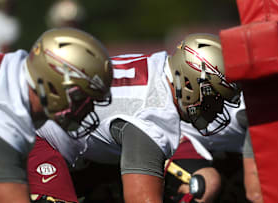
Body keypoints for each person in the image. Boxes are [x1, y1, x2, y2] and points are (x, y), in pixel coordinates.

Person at [27, 33, 241, 203]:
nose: (215, 109)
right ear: (188, 83)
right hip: (34, 135)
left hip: (79, 146)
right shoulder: (153, 115)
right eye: (214, 100)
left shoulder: (158, 65)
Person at [0, 27, 113, 203]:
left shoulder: (12, 70)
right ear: (54, 87)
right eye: (81, 98)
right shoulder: (5, 118)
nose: (87, 110)